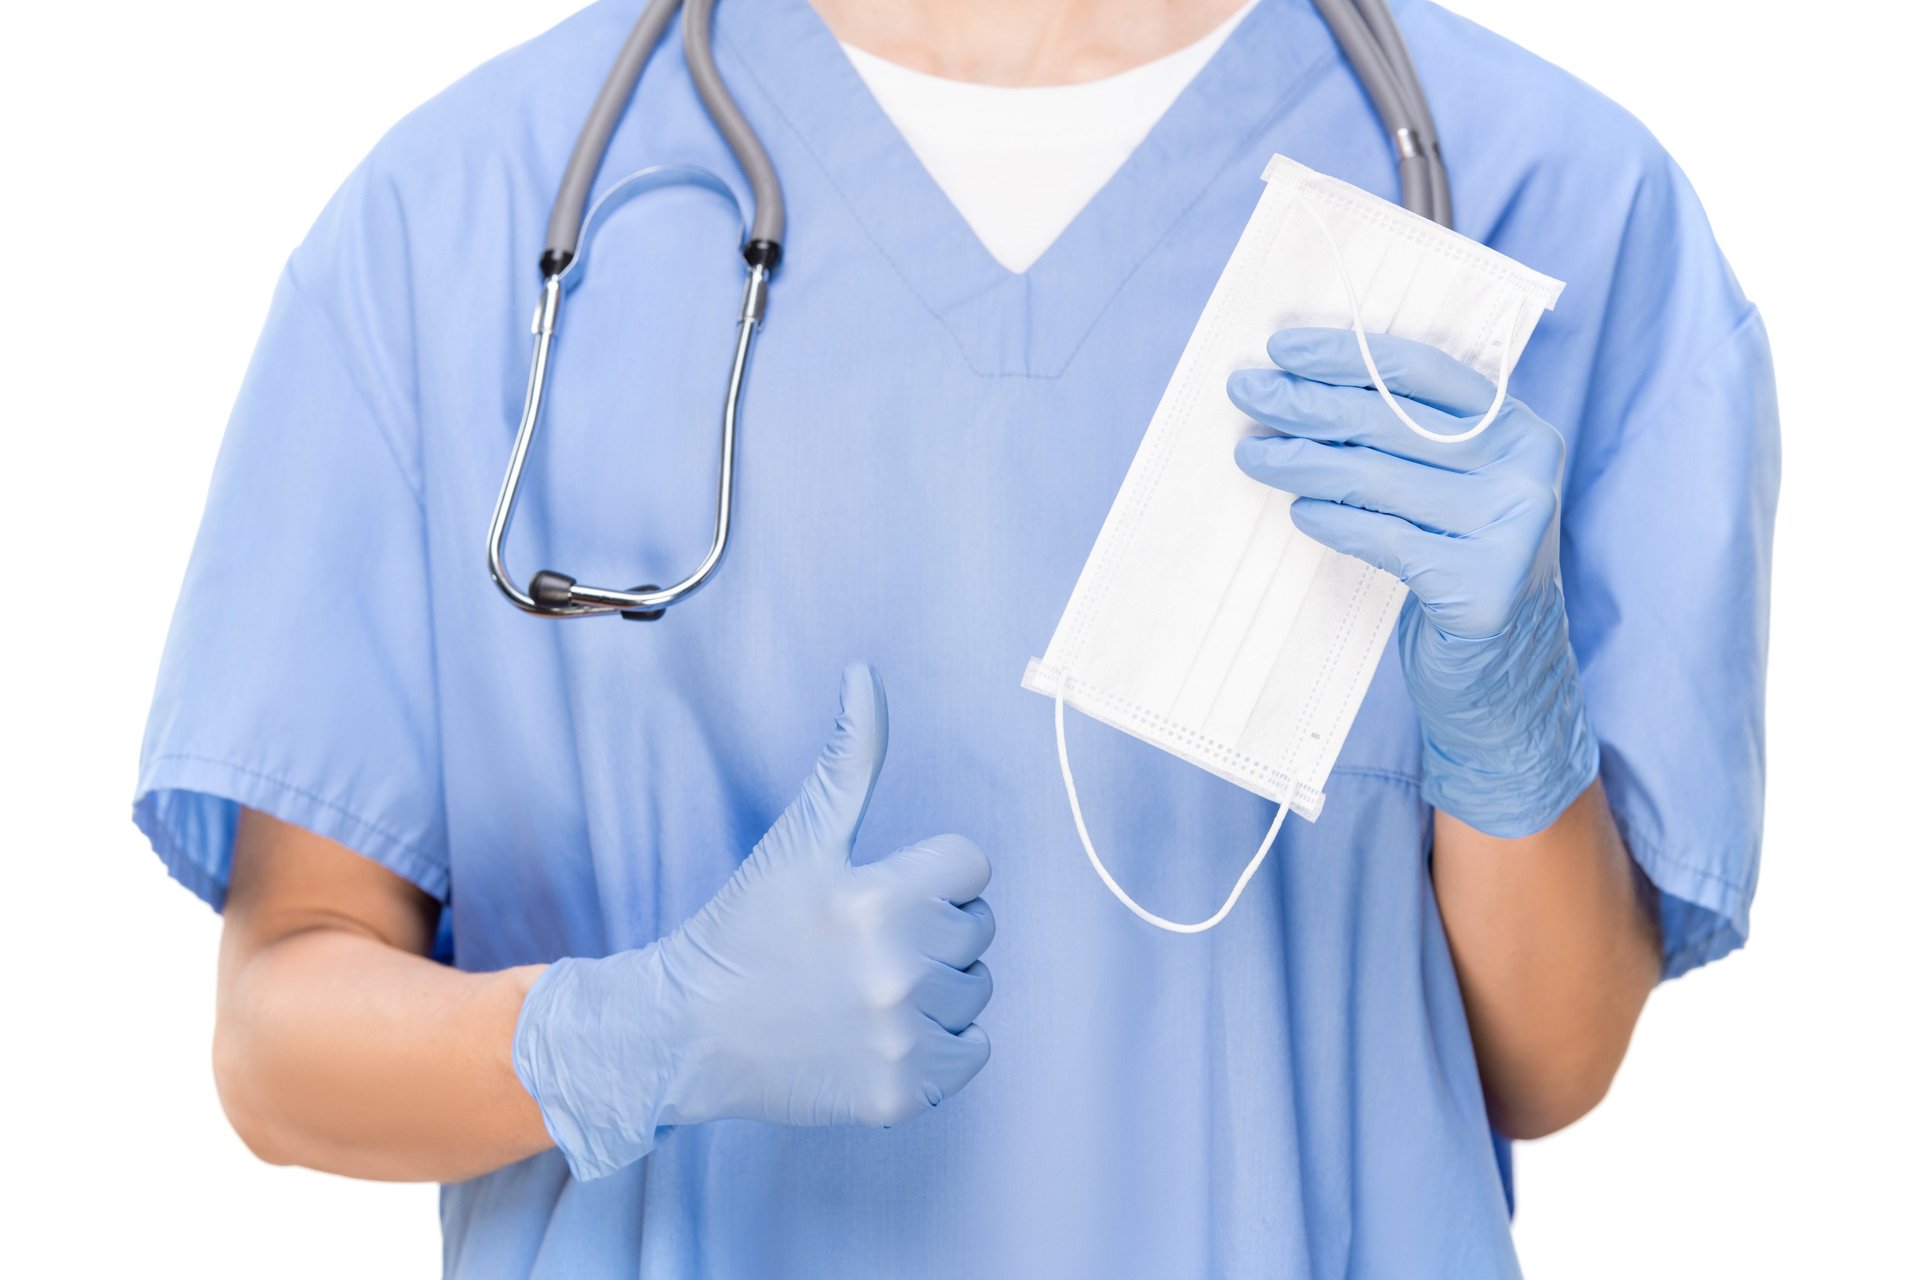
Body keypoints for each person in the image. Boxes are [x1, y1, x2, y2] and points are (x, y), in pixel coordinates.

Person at [133, 0, 1778, 1274]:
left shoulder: (1545, 199)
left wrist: (1509, 716)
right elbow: (279, 1043)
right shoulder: (465, 220)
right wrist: (626, 1034)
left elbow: (1550, 1063)